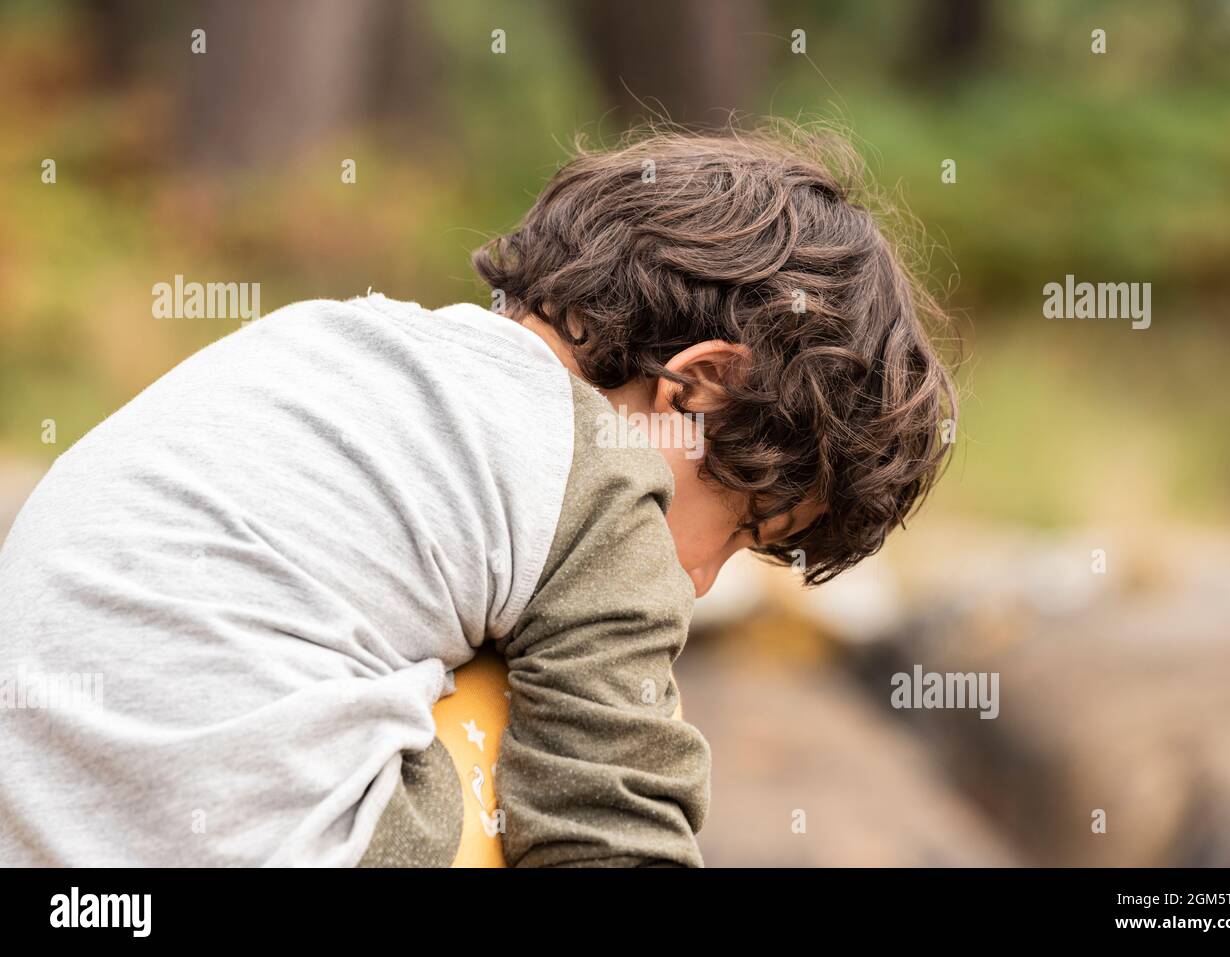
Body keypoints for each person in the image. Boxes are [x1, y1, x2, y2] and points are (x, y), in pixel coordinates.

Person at [0, 125, 956, 866]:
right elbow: (613, 816)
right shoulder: (603, 477)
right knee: (531, 698)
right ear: (696, 391)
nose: (700, 582)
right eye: (743, 527)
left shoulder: (325, 339)